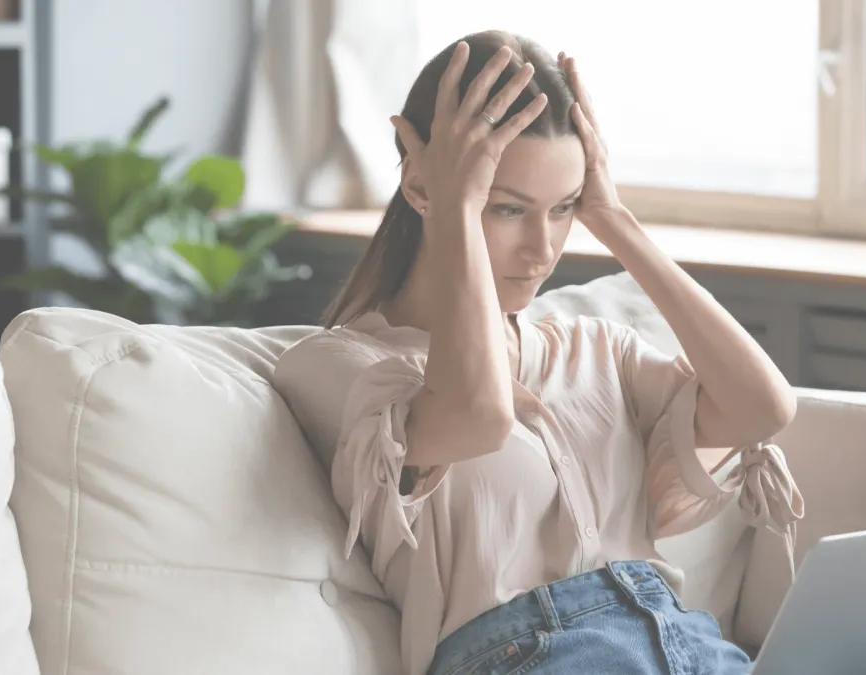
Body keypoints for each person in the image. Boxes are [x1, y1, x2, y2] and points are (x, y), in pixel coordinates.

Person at [277, 30, 804, 675]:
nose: (543, 248)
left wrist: (612, 217)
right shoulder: (337, 367)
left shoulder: (597, 349)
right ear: (421, 186)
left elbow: (763, 408)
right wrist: (458, 208)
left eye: (563, 209)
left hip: (688, 646)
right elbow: (478, 416)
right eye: (506, 209)